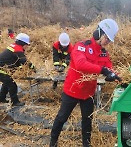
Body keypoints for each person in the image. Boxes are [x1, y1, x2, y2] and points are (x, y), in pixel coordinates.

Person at [50, 19, 122, 147]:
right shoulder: (81, 46)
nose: (108, 42)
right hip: (72, 90)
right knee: (62, 117)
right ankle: (53, 142)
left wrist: (114, 75)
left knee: (87, 120)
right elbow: (80, 64)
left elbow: (108, 66)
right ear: (99, 33)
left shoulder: (103, 52)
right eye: (107, 38)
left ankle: (86, 144)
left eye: (110, 40)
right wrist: (102, 70)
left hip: (88, 93)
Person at [0, 33, 35, 106]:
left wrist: (21, 68)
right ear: (23, 43)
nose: (27, 47)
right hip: (2, 70)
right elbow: (24, 61)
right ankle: (15, 102)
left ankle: (2, 98)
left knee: (7, 83)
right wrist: (33, 68)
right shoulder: (18, 49)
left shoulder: (13, 46)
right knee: (12, 85)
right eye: (27, 45)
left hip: (3, 69)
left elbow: (15, 60)